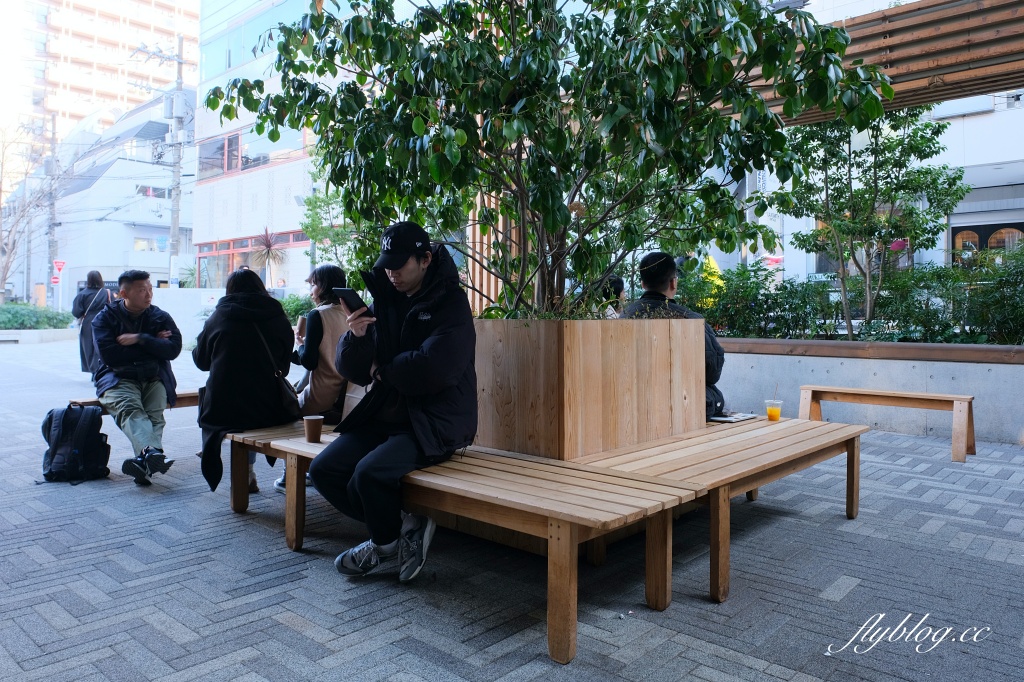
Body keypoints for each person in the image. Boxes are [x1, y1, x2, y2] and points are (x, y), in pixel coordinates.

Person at [308, 220, 477, 583]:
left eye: (399, 266)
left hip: (433, 421)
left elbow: (436, 369)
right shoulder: (384, 299)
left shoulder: (451, 302)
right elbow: (352, 369)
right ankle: (404, 529)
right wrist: (355, 337)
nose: (391, 273)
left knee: (367, 476)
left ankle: (383, 545)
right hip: (385, 415)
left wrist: (382, 369)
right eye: (387, 265)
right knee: (323, 471)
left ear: (426, 259)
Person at [193, 269, 297, 493]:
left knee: (234, 411)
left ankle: (244, 475)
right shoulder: (277, 316)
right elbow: (284, 367)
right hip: (269, 407)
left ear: (230, 290)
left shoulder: (219, 316)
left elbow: (201, 362)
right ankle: (249, 473)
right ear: (260, 287)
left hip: (222, 407)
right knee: (251, 410)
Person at [92, 270, 183, 485]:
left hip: (154, 376)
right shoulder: (104, 318)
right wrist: (154, 344)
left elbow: (173, 349)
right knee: (131, 410)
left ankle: (144, 462)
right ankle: (151, 454)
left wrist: (140, 338)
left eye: (150, 289)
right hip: (117, 378)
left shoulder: (160, 316)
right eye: (142, 290)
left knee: (155, 416)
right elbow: (111, 356)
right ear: (124, 293)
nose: (148, 294)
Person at [620, 251, 726, 419]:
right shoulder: (691, 319)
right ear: (673, 283)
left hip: (631, 401)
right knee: (713, 395)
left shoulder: (624, 316)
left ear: (642, 283)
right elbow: (713, 372)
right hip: (682, 405)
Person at [274, 264, 351, 493]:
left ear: (324, 286)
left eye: (314, 284)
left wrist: (297, 346)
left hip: (321, 397)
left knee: (286, 411)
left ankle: (292, 475)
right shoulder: (350, 312)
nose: (311, 291)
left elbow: (308, 361)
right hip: (347, 398)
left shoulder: (318, 315)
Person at [71, 270, 112, 376]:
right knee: (103, 346)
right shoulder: (106, 293)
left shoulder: (82, 294)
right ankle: (102, 369)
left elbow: (76, 312)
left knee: (88, 347)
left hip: (88, 323)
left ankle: (94, 371)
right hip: (104, 322)